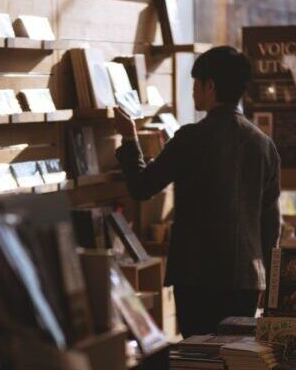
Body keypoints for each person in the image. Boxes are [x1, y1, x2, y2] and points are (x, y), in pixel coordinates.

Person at [113, 46, 281, 337]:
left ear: (210, 85)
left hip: (196, 278)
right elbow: (270, 224)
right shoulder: (264, 145)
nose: (193, 92)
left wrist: (129, 138)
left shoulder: (191, 138)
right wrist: (268, 280)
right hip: (247, 279)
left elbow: (141, 187)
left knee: (196, 358)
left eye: (196, 84)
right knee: (235, 357)